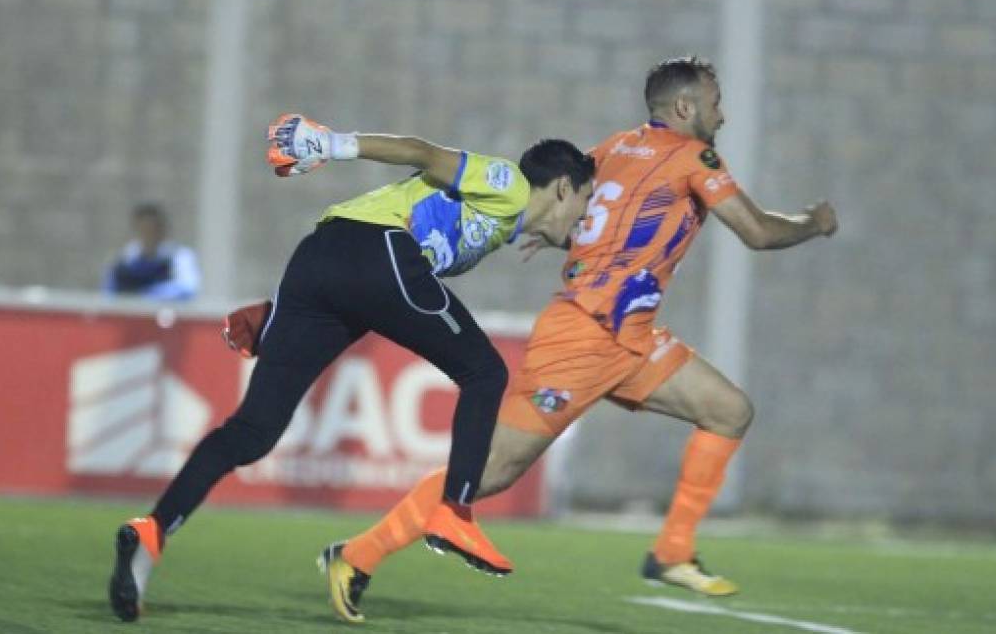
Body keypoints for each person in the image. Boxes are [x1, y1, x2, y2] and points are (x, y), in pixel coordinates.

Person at [309, 56, 838, 622]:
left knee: (729, 410)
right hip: (583, 339)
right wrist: (814, 223)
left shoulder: (615, 147)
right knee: (491, 472)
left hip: (630, 336)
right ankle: (355, 556)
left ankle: (672, 551)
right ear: (685, 108)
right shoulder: (694, 158)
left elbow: (580, 205)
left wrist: (553, 231)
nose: (723, 115)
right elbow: (756, 231)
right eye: (715, 103)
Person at [107, 114, 596, 623]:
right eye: (585, 201)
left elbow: (379, 264)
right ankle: (454, 511)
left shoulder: (510, 218)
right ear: (562, 187)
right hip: (373, 250)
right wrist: (332, 145)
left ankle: (150, 533)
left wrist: (283, 310)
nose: (585, 216)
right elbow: (422, 151)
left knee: (252, 433)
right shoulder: (509, 184)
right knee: (486, 374)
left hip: (322, 263)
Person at [103, 203, 201, 300]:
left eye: (152, 229)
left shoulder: (179, 256)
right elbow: (109, 292)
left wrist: (147, 294)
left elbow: (188, 288)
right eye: (144, 229)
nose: (148, 235)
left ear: (162, 230)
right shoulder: (124, 258)